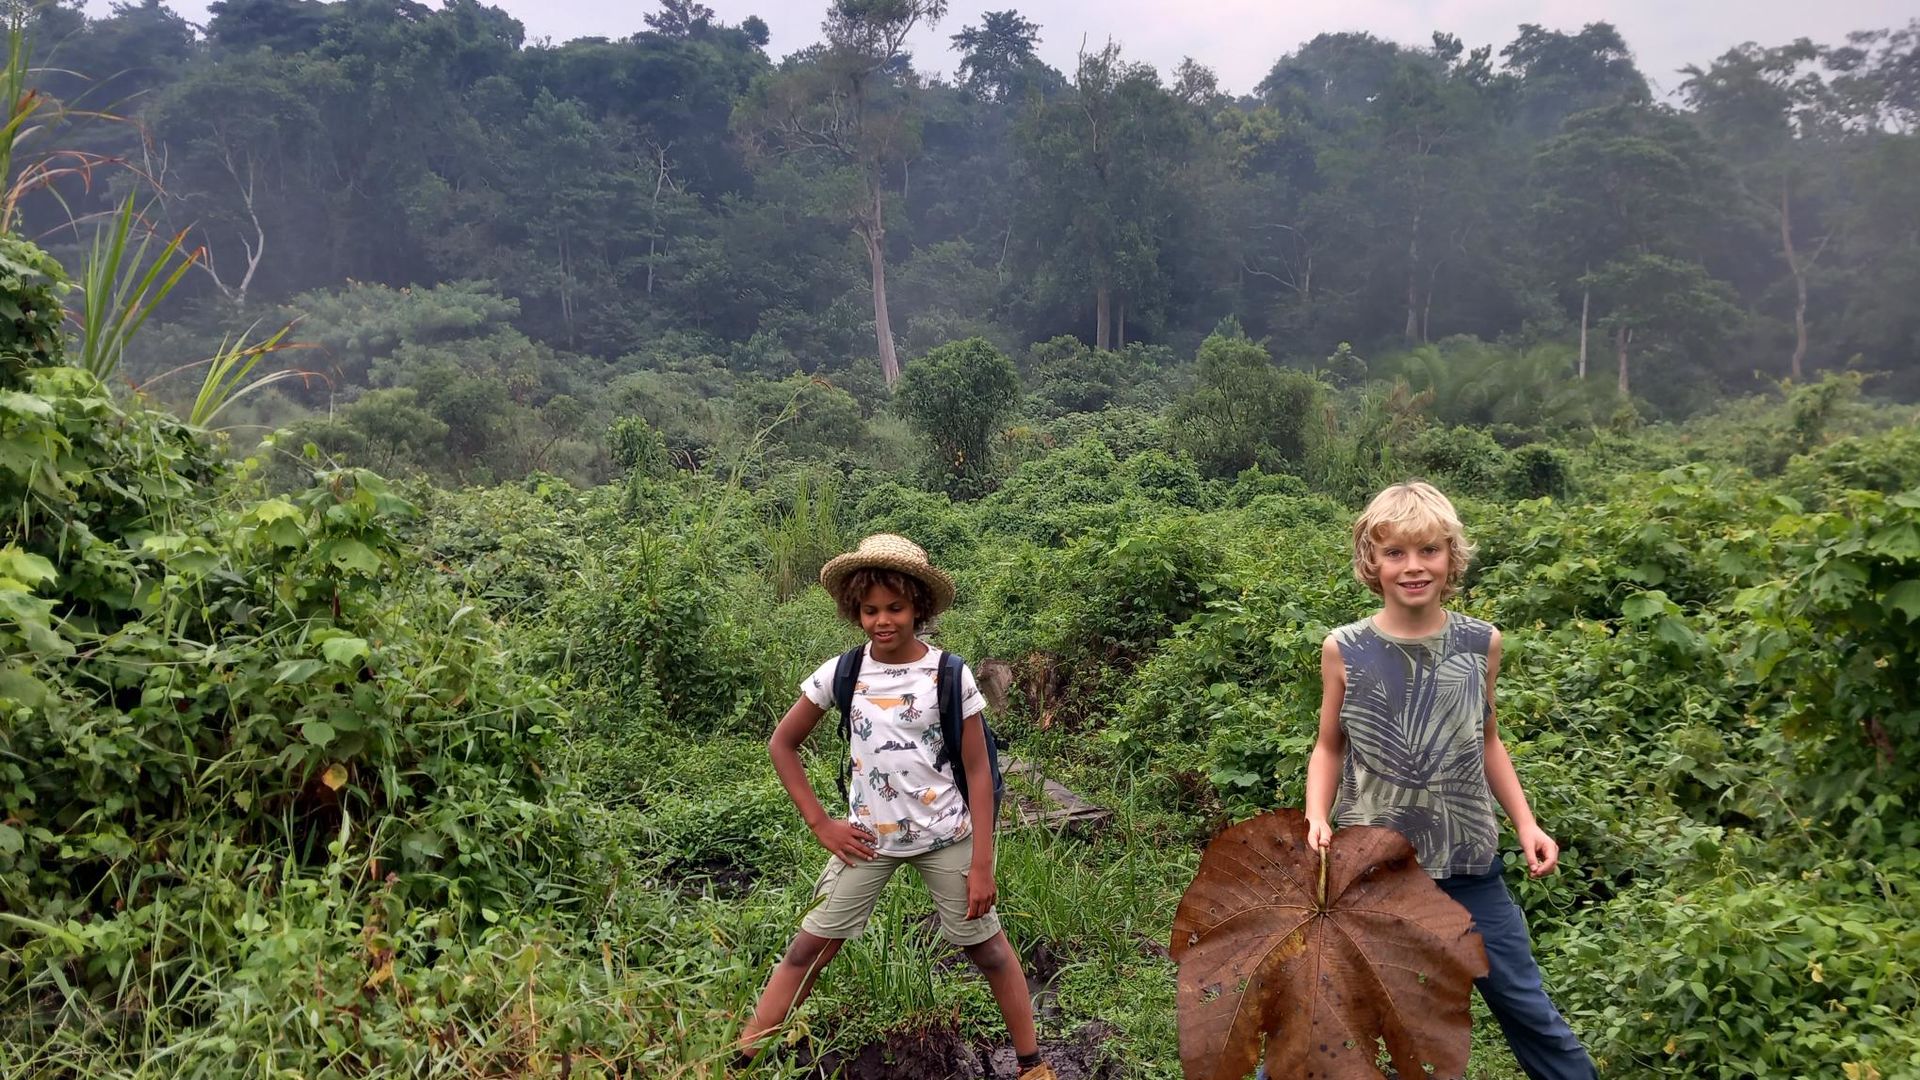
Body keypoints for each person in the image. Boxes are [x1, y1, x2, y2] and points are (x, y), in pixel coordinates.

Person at [1293, 481, 1598, 1080]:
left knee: (1526, 1007)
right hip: (1372, 872)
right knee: (1326, 1011)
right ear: (1371, 563)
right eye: (1395, 554)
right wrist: (1317, 815)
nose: (1413, 567)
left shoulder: (1480, 642)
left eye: (1429, 550)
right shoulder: (1345, 649)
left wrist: (1528, 823)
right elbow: (1329, 746)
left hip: (1469, 866)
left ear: (1451, 557)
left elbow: (1486, 739)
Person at [734, 534, 1053, 1079]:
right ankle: (743, 1056)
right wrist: (821, 823)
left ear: (919, 609)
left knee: (990, 952)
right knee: (809, 947)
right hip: (867, 841)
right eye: (870, 610)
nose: (883, 621)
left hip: (947, 836)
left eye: (896, 608)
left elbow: (979, 771)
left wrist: (982, 864)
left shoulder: (949, 674)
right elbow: (781, 744)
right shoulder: (843, 673)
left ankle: (1031, 1064)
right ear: (855, 611)